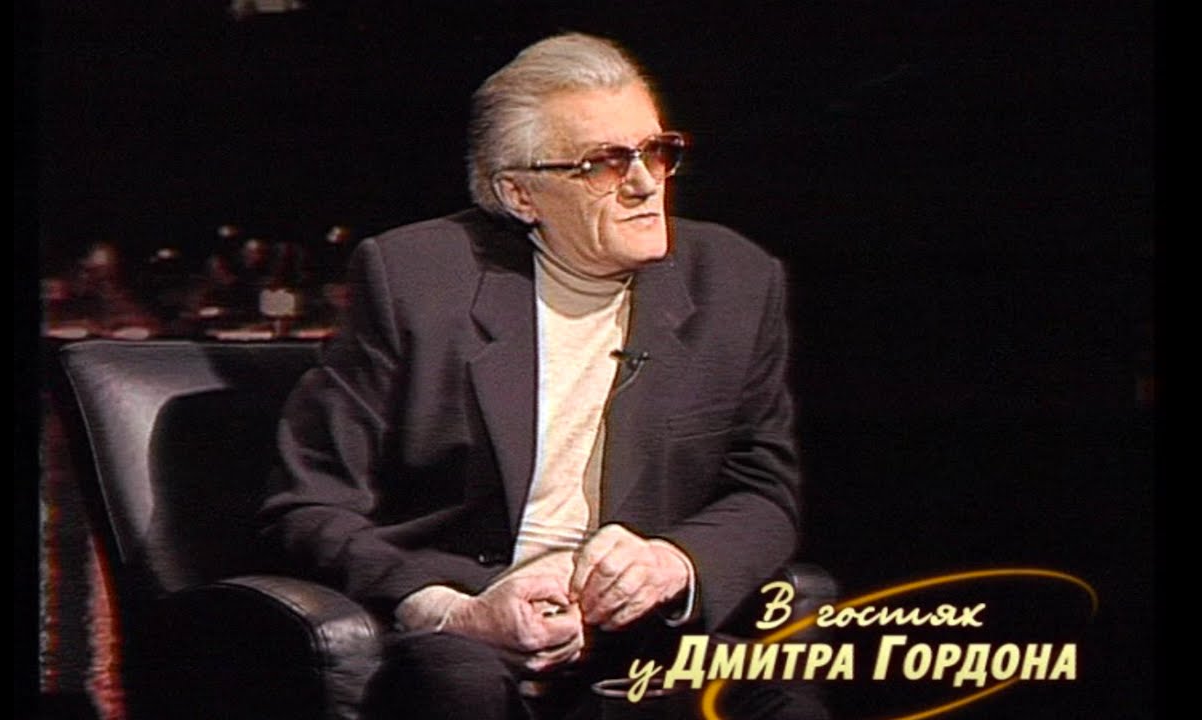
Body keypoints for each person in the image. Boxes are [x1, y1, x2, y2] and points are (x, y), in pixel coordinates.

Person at [258, 32, 824, 719]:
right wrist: (448, 609)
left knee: (778, 701)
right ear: (520, 194)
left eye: (655, 151)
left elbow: (763, 491)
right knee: (458, 685)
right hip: (469, 625)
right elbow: (306, 508)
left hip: (642, 633)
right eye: (605, 164)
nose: (647, 184)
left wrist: (672, 562)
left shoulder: (734, 280)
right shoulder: (416, 280)